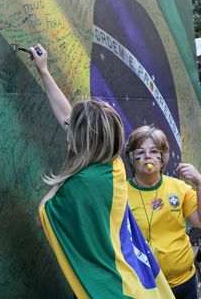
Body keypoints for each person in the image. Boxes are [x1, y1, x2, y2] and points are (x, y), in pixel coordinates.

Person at [29, 44, 175, 299]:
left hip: (112, 291)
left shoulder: (82, 182)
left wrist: (67, 172)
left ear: (81, 140)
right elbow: (68, 118)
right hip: (133, 284)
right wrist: (44, 71)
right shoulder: (113, 166)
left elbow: (44, 213)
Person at [125, 125, 201, 299]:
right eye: (140, 152)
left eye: (153, 151)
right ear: (131, 157)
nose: (147, 156)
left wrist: (199, 183)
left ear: (163, 157)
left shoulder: (179, 188)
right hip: (143, 286)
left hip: (183, 283)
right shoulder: (120, 194)